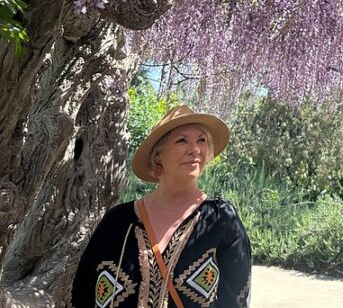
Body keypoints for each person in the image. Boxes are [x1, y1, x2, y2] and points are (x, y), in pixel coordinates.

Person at [70, 105, 251, 308]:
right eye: (182, 140)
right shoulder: (118, 222)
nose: (195, 149)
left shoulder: (221, 219)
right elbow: (83, 293)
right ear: (158, 155)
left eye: (202, 140)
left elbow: (237, 298)